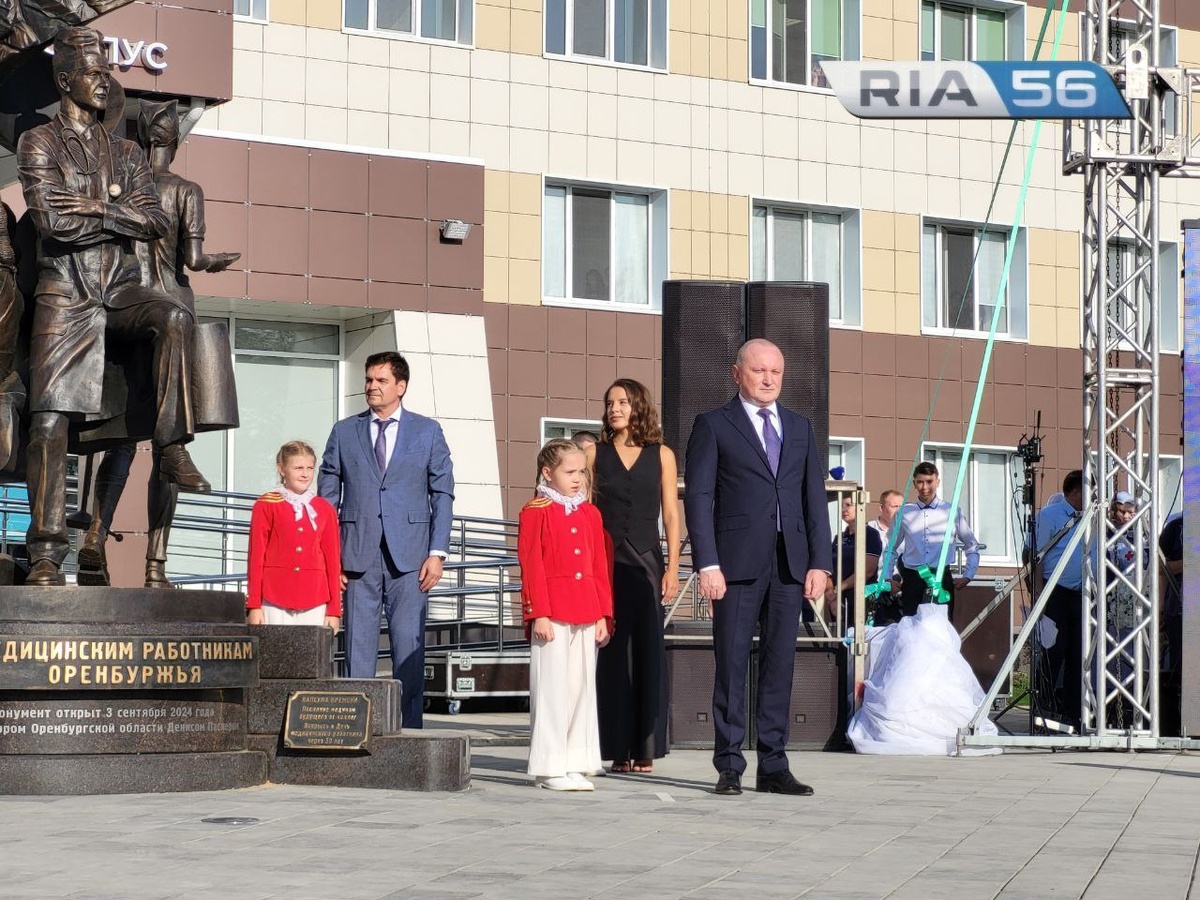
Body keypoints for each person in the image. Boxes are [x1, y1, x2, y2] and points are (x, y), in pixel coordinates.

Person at [17, 27, 210, 586]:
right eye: (92, 71)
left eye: (108, 70)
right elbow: (53, 223)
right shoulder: (40, 143)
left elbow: (152, 218)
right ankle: (49, 552)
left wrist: (94, 205)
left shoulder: (127, 152)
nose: (104, 79)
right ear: (64, 80)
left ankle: (172, 445)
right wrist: (114, 209)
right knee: (49, 420)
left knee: (175, 316)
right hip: (68, 293)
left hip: (120, 291)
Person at [76, 99, 240, 589]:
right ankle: (156, 564)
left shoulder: (122, 185)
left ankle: (95, 539)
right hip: (170, 313)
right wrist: (215, 262)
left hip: (126, 314)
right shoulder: (186, 190)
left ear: (144, 140)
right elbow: (191, 257)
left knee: (122, 440)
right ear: (173, 141)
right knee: (171, 436)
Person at [684, 338, 831, 797]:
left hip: (790, 564)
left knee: (780, 663)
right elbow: (700, 498)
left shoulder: (800, 427)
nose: (768, 380)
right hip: (735, 565)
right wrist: (706, 562)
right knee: (730, 661)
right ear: (737, 373)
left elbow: (813, 500)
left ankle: (774, 765)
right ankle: (729, 764)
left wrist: (820, 563)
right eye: (759, 371)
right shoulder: (713, 425)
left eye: (776, 372)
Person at [318, 351, 454, 728]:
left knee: (408, 647)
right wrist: (330, 560)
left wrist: (437, 553)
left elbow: (442, 492)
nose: (372, 387)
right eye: (368, 380)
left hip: (411, 559)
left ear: (401, 386)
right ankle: (354, 729)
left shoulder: (427, 431)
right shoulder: (344, 432)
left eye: (380, 381)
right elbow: (327, 499)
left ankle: (408, 729)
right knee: (357, 649)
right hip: (356, 556)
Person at [587, 378, 680, 775]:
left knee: (647, 652)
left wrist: (674, 568)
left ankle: (645, 746)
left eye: (622, 402)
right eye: (609, 403)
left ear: (638, 405)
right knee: (610, 653)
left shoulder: (662, 454)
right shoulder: (593, 452)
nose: (614, 409)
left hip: (646, 561)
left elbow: (672, 515)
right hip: (605, 564)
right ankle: (615, 748)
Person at [519, 439, 613, 791]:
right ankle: (549, 765)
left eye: (581, 472)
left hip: (586, 608)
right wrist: (537, 613)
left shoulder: (590, 513)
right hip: (553, 610)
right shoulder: (536, 510)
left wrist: (604, 612)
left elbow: (598, 566)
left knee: (579, 688)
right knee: (552, 689)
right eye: (569, 472)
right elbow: (531, 565)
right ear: (548, 472)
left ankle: (576, 759)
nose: (578, 479)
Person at [247, 441, 342, 631]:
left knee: (312, 659)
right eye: (298, 468)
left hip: (315, 597)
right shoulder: (266, 504)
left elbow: (332, 561)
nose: (305, 474)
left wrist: (334, 610)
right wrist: (254, 605)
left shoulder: (324, 509)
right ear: (281, 469)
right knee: (274, 658)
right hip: (275, 596)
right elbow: (256, 557)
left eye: (309, 468)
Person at [891, 462, 980, 623]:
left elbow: (971, 544)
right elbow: (890, 548)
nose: (925, 487)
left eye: (929, 482)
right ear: (914, 484)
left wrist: (968, 574)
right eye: (920, 482)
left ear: (937, 482)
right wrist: (888, 577)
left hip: (941, 577)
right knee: (911, 628)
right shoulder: (904, 513)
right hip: (912, 579)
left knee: (942, 628)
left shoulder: (951, 511)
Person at [1036, 470, 1085, 730]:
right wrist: (1038, 597)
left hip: (1082, 593)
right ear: (1075, 493)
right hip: (1055, 591)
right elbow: (1037, 558)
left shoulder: (1091, 517)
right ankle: (1044, 710)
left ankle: (1073, 713)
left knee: (1079, 654)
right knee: (1053, 650)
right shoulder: (1049, 516)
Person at [827, 494, 885, 625]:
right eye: (841, 506)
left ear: (860, 507)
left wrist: (837, 589)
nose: (844, 509)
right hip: (840, 602)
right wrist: (831, 597)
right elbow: (828, 569)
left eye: (848, 505)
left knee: (863, 641)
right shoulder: (839, 538)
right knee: (841, 642)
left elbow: (867, 571)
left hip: (863, 599)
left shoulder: (871, 534)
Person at [1159, 511, 1183, 737]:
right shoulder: (1176, 525)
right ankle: (1180, 722)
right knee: (1181, 665)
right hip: (1180, 607)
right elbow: (1163, 567)